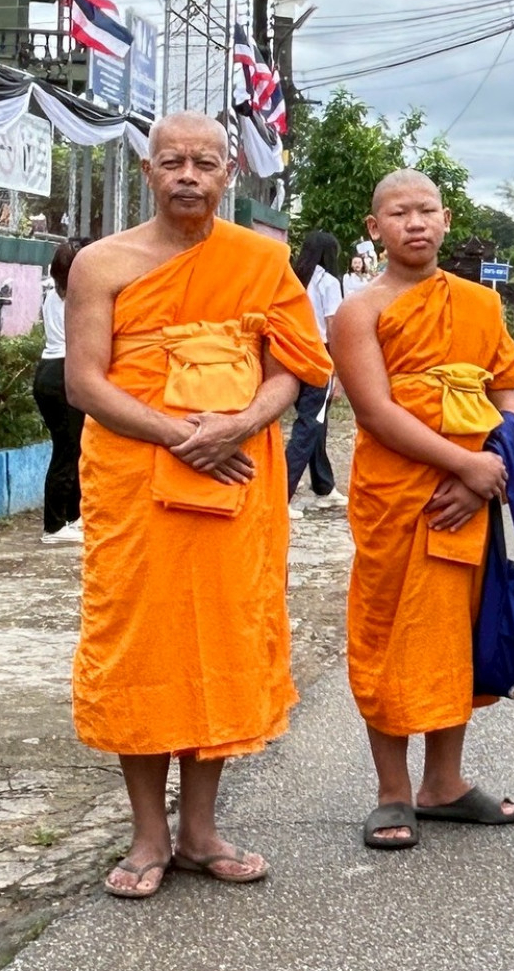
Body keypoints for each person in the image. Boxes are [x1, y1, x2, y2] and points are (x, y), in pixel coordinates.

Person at [59, 113, 331, 899]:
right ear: (148, 172)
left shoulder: (258, 259)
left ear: (227, 177)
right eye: (172, 161)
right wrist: (184, 436)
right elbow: (87, 383)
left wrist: (240, 424)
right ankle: (148, 836)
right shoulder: (101, 265)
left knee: (217, 636)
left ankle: (201, 830)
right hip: (136, 477)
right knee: (144, 644)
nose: (188, 174)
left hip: (235, 472)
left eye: (204, 163)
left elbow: (295, 366)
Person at [333, 170, 514, 850]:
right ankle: (393, 792)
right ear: (374, 228)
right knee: (387, 630)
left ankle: (442, 782)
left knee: (457, 630)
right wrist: (461, 465)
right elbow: (376, 411)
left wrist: (484, 473)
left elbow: (508, 394)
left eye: (425, 211)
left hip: (468, 495)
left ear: (446, 221)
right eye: (398, 213)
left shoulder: (480, 303)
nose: (414, 223)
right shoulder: (358, 311)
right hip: (397, 494)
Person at [284, 229, 346, 517]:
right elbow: (333, 327)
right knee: (309, 423)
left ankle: (324, 486)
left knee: (316, 421)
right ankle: (282, 493)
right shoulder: (328, 282)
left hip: (293, 351)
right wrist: (337, 368)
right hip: (319, 352)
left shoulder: (294, 278)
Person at [31, 237, 88, 545]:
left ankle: (72, 517)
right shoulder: (77, 296)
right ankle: (54, 526)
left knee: (73, 448)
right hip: (62, 371)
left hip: (51, 371)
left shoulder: (54, 291)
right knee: (66, 451)